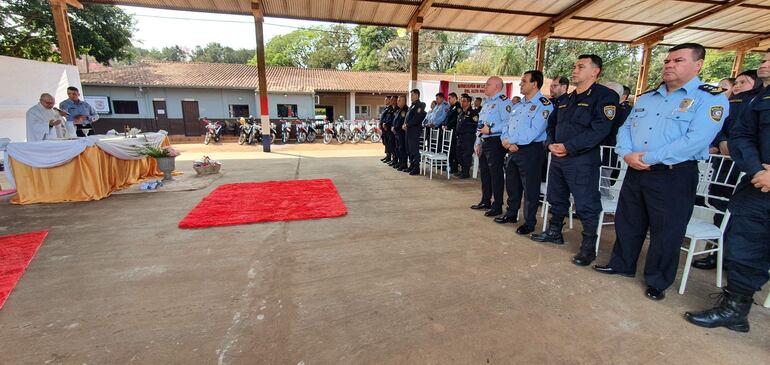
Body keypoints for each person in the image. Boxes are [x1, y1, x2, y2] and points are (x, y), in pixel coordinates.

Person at [593, 43, 727, 301]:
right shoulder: (649, 97)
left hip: (673, 174)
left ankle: (657, 279)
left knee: (667, 230)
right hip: (636, 169)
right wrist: (626, 153)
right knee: (628, 220)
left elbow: (697, 139)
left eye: (678, 60)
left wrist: (649, 158)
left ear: (697, 65)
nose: (669, 65)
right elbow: (625, 128)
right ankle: (622, 264)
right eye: (667, 60)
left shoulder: (709, 97)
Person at [684, 49, 770, 332]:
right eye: (764, 58)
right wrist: (758, 170)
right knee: (743, 247)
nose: (764, 64)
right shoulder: (759, 98)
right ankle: (735, 310)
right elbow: (742, 136)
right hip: (758, 185)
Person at [531, 54, 618, 268]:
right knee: (556, 197)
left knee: (586, 204)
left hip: (582, 160)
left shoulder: (604, 97)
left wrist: (569, 147)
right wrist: (550, 144)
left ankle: (588, 248)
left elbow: (600, 129)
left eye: (581, 66)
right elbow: (551, 126)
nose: (575, 70)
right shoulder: (566, 99)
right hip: (558, 159)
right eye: (575, 66)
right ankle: (554, 232)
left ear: (595, 71)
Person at [693, 69, 762, 270]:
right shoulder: (730, 104)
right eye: (737, 82)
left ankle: (735, 262)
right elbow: (718, 127)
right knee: (719, 207)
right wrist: (722, 141)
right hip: (725, 166)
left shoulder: (756, 104)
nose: (738, 86)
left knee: (743, 217)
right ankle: (715, 254)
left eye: (744, 82)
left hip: (751, 168)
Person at [498, 70, 553, 234]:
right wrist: (506, 141)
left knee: (530, 188)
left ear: (534, 83)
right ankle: (511, 214)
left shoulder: (544, 105)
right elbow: (506, 126)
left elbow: (534, 131)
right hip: (512, 149)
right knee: (512, 184)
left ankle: (529, 223)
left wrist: (512, 141)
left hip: (531, 150)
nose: (520, 84)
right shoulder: (518, 105)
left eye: (524, 81)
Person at [470, 77, 512, 217]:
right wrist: (477, 141)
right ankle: (485, 200)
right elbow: (481, 125)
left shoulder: (504, 102)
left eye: (488, 84)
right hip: (484, 141)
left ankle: (497, 205)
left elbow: (508, 123)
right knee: (485, 173)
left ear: (497, 87)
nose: (485, 86)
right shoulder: (487, 102)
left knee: (496, 175)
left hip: (495, 141)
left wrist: (492, 130)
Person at [455, 94, 478, 179]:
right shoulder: (461, 112)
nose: (462, 102)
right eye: (461, 100)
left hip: (468, 137)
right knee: (459, 154)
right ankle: (462, 170)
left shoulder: (473, 113)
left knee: (466, 155)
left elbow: (476, 124)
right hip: (460, 137)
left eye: (464, 101)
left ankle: (466, 172)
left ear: (469, 102)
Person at [404, 89, 427, 175]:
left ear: (417, 95)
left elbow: (417, 118)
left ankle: (416, 167)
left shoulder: (420, 105)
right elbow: (407, 117)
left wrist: (407, 124)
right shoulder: (412, 105)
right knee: (409, 149)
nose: (411, 97)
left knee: (414, 149)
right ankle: (412, 165)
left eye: (412, 95)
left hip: (414, 130)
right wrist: (405, 124)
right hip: (409, 130)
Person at [443, 92, 462, 174]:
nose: (448, 100)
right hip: (448, 131)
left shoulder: (458, 107)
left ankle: (454, 167)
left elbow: (455, 120)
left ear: (455, 98)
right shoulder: (451, 107)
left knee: (453, 150)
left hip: (454, 131)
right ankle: (448, 165)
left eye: (450, 98)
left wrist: (448, 126)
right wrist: (444, 124)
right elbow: (447, 117)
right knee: (449, 149)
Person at [391, 95, 409, 171]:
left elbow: (402, 121)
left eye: (399, 100)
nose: (397, 102)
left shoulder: (405, 110)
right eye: (397, 100)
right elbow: (395, 120)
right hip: (396, 132)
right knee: (397, 148)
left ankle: (404, 164)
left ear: (404, 101)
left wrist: (395, 128)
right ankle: (400, 162)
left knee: (402, 148)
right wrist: (393, 126)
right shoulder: (399, 110)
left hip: (401, 132)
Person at [379, 96, 394, 163]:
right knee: (385, 142)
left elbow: (390, 119)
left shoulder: (391, 109)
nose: (385, 101)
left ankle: (389, 157)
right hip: (384, 128)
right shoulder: (386, 108)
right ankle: (387, 155)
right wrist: (380, 123)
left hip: (388, 128)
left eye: (386, 100)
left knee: (389, 143)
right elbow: (383, 118)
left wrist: (386, 124)